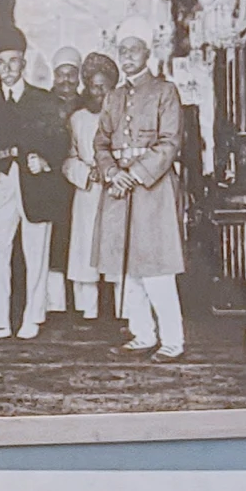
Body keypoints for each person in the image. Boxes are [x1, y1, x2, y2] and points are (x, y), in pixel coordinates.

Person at [0, 25, 70, 345]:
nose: (7, 68)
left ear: (23, 63)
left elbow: (60, 140)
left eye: (13, 61)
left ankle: (32, 317)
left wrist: (44, 159)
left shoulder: (43, 100)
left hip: (36, 185)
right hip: (3, 183)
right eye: (1, 62)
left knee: (35, 252)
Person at [93, 18, 187, 360]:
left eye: (133, 49)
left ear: (147, 53)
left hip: (152, 190)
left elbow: (169, 143)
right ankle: (142, 333)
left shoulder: (165, 92)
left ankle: (172, 340)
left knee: (157, 266)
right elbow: (101, 142)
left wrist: (132, 174)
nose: (127, 56)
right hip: (118, 188)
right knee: (127, 266)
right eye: (122, 50)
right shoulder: (113, 97)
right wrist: (111, 173)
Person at [63, 51, 121, 323]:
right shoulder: (77, 119)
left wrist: (113, 171)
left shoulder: (122, 116)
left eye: (103, 87)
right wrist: (86, 173)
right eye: (93, 87)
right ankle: (89, 311)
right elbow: (67, 158)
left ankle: (124, 311)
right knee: (85, 250)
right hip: (87, 191)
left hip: (117, 189)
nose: (97, 93)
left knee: (117, 250)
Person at [45, 46, 84, 315]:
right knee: (54, 241)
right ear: (53, 75)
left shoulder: (88, 105)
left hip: (81, 183)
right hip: (51, 182)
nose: (67, 80)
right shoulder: (42, 104)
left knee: (79, 238)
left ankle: (84, 304)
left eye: (72, 74)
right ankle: (55, 305)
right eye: (62, 74)